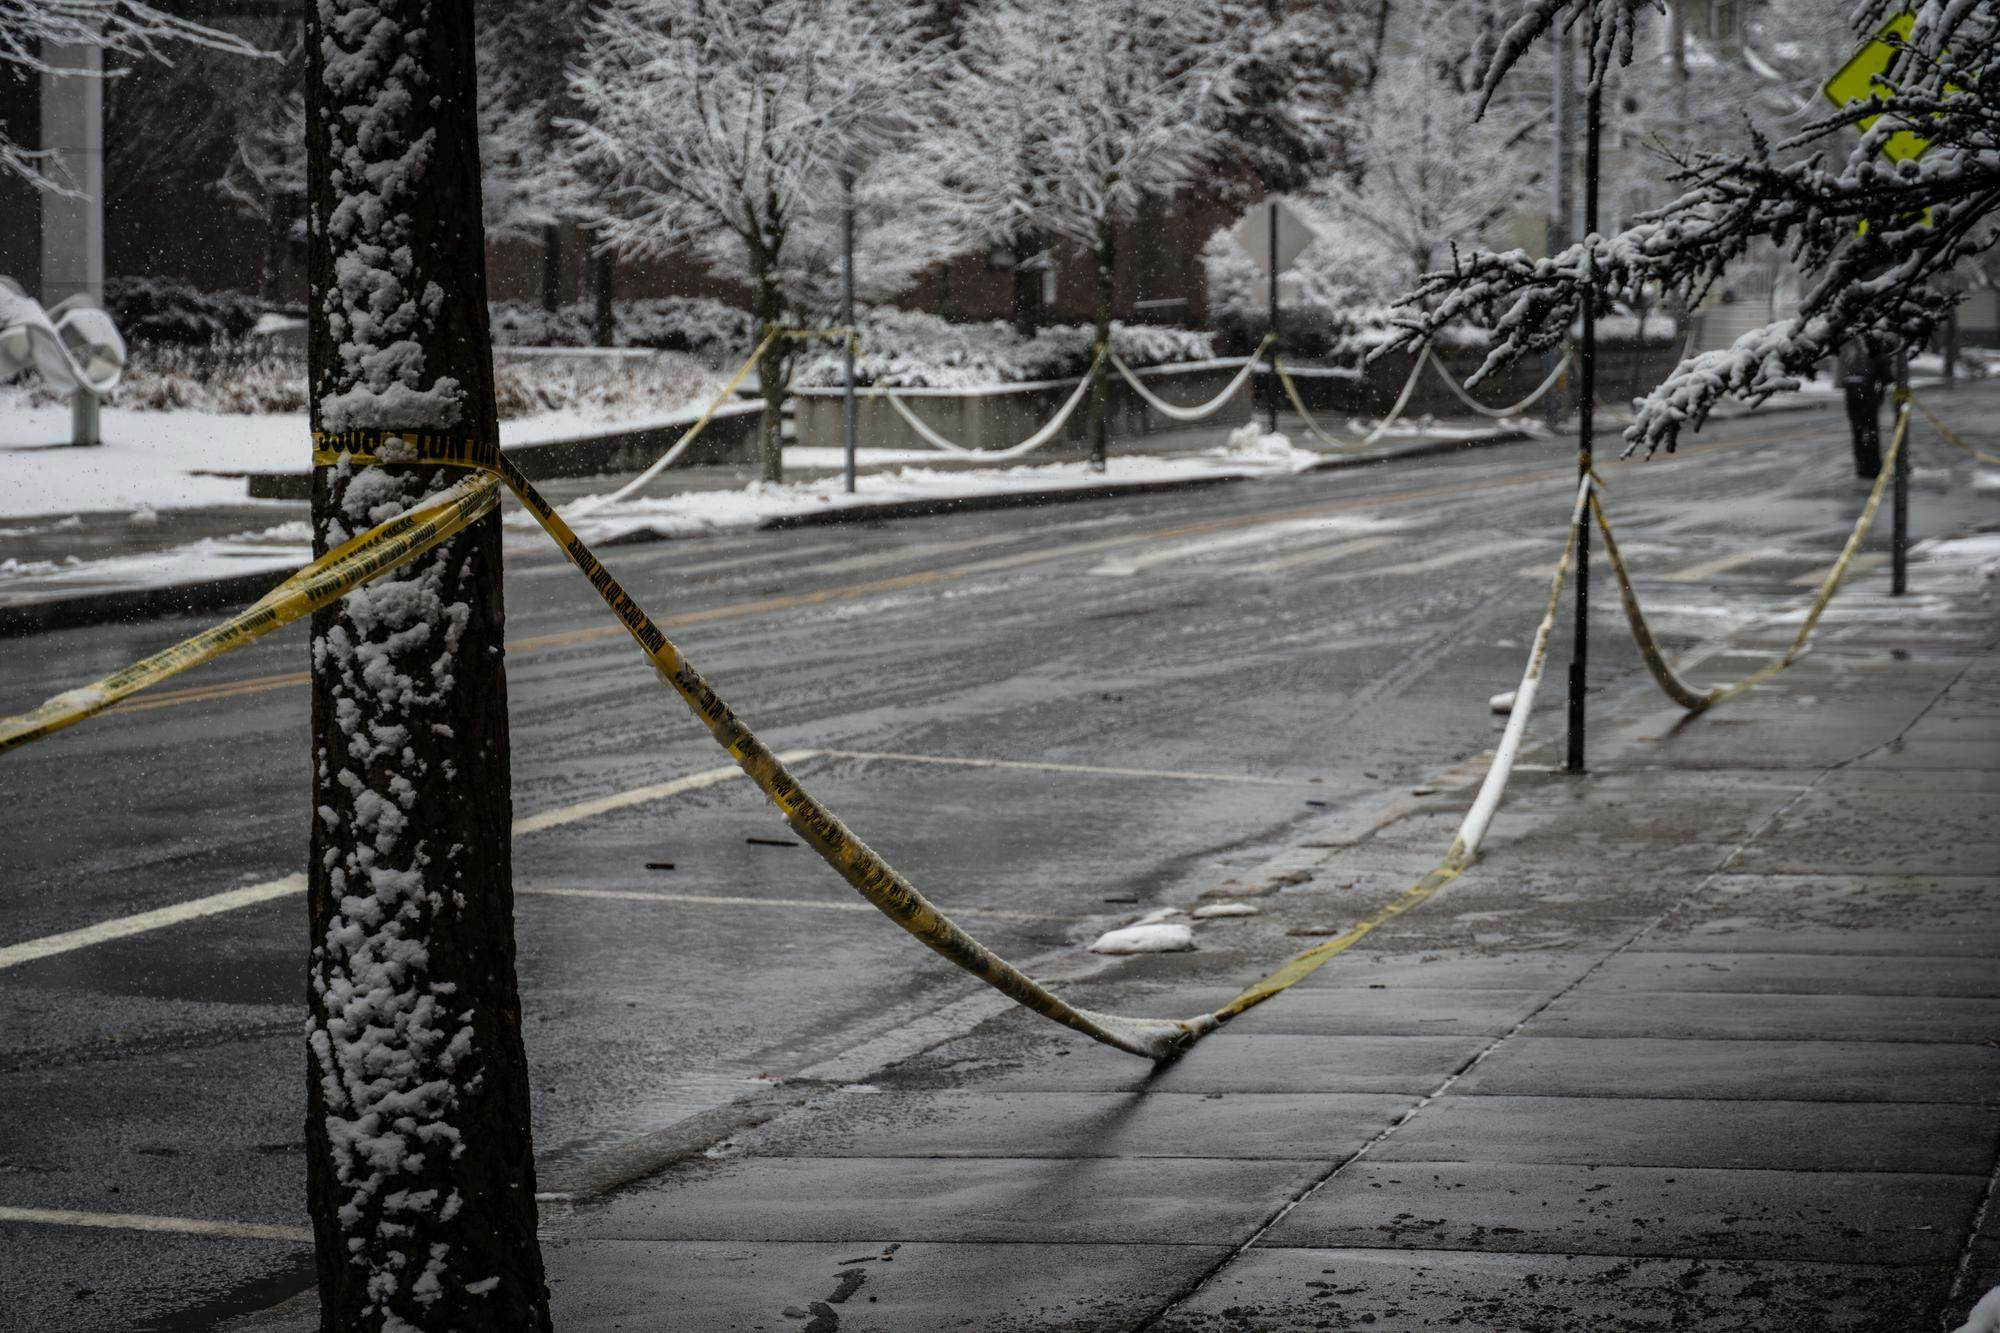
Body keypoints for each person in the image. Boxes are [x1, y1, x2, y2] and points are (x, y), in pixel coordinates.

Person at [1839, 337, 1892, 478]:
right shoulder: (1879, 354)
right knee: (1871, 431)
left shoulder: (1857, 349)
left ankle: (1861, 466)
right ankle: (1873, 467)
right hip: (1866, 392)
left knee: (1858, 431)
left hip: (1852, 391)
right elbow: (1887, 378)